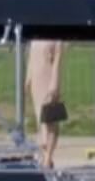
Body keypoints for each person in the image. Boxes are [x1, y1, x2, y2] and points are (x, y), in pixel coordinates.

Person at [26, 40, 67, 168]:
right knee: (40, 118)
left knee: (50, 119)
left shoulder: (57, 40)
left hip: (48, 78)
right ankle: (44, 155)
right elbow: (31, 57)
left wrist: (54, 82)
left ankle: (48, 157)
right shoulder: (35, 38)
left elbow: (57, 61)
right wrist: (28, 78)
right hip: (36, 79)